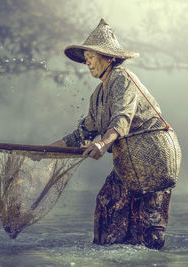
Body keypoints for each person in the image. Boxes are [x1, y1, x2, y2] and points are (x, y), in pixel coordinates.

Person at [50, 18, 180, 250]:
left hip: (153, 157)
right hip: (129, 163)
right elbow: (84, 130)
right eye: (86, 57)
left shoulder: (123, 79)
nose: (87, 61)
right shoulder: (97, 94)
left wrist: (102, 144)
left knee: (147, 222)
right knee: (107, 203)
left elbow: (122, 119)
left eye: (92, 56)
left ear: (109, 58)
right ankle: (110, 255)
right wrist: (52, 149)